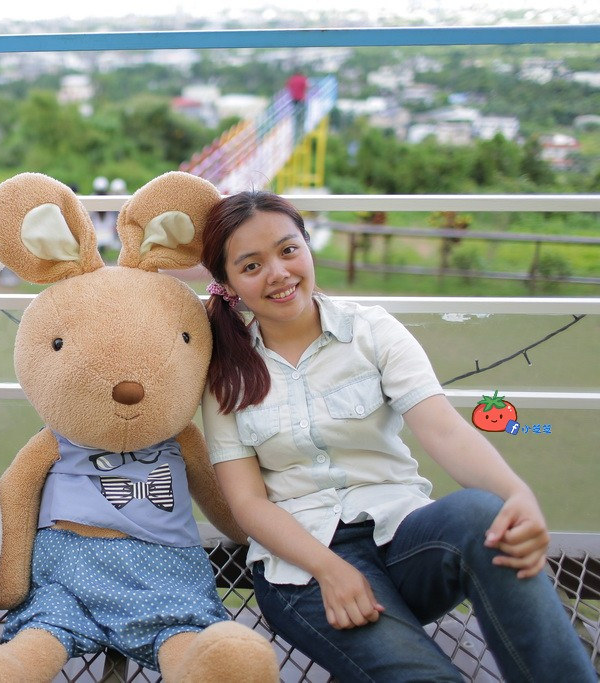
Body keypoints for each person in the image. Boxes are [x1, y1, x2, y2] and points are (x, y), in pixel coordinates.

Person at [199, 191, 594, 682]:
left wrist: (517, 493)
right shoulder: (226, 374)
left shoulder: (373, 330)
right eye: (252, 265)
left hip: (401, 535)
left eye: (288, 250)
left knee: (484, 514)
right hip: (300, 568)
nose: (278, 273)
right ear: (229, 284)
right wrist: (328, 568)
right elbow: (248, 503)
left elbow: (444, 429)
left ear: (308, 246)